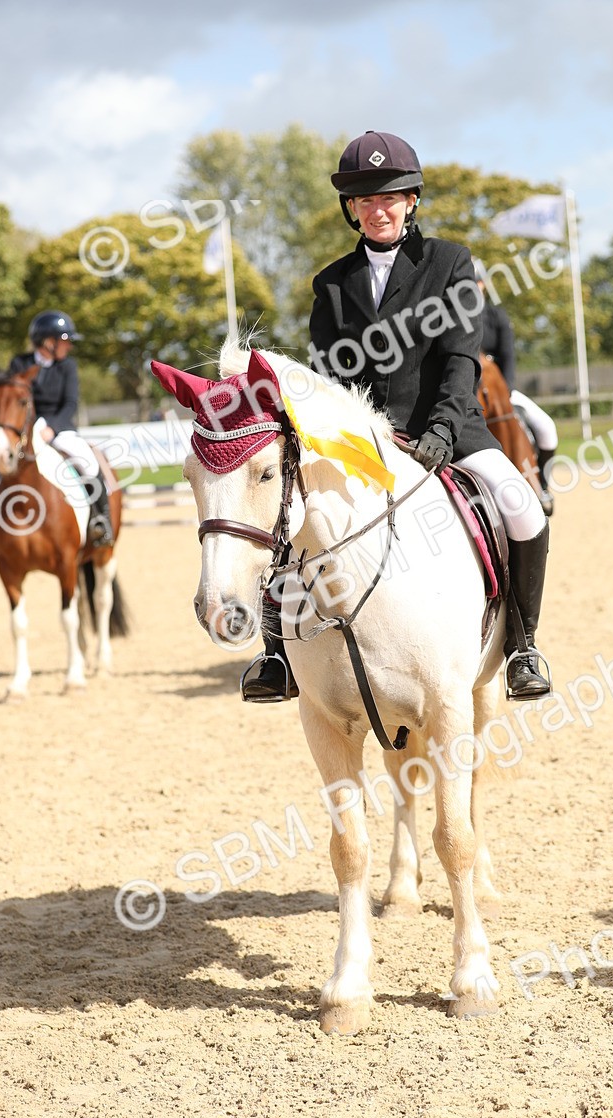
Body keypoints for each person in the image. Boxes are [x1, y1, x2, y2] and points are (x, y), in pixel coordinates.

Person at [242, 131, 551, 705]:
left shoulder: (450, 264)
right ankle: (277, 656)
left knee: (521, 506)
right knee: (289, 519)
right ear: (351, 210)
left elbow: (462, 360)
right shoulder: (332, 284)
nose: (377, 209)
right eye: (364, 201)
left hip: (449, 433)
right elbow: (330, 380)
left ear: (411, 200)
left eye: (389, 197)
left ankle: (523, 646)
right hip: (362, 445)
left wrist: (440, 431)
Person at [0, 310, 114, 561]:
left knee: (87, 461)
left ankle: (100, 521)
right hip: (25, 433)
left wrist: (52, 426)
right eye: (65, 340)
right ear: (48, 342)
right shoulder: (19, 363)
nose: (69, 345)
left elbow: (71, 403)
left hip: (58, 429)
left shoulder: (67, 367)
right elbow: (11, 400)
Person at [476, 277, 558, 513]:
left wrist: (507, 391)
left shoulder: (496, 316)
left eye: (474, 282)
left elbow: (508, 355)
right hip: (469, 393)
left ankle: (542, 486)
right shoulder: (453, 318)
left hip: (500, 391)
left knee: (546, 427)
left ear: (483, 284)